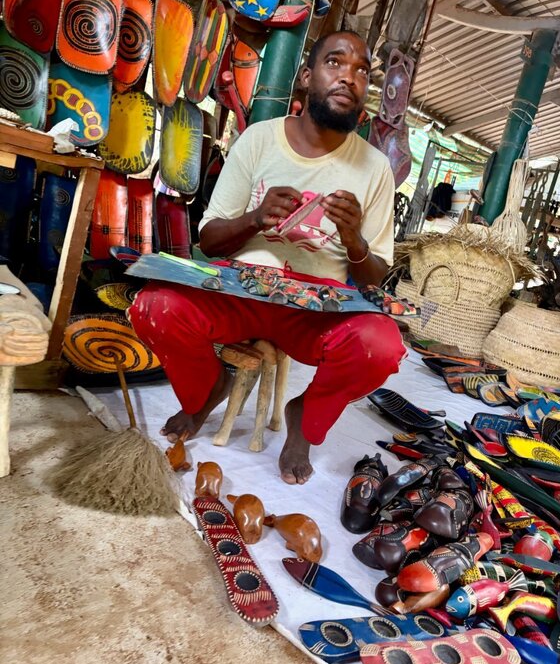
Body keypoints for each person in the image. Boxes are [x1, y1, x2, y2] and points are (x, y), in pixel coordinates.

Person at [128, 31, 406, 485]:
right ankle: (207, 390)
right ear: (306, 76)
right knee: (154, 306)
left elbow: (373, 278)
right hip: (240, 288)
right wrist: (256, 218)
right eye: (335, 62)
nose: (349, 77)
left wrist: (354, 239)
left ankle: (305, 417)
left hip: (316, 309)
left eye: (361, 71)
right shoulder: (260, 139)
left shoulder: (375, 168)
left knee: (382, 347)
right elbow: (210, 241)